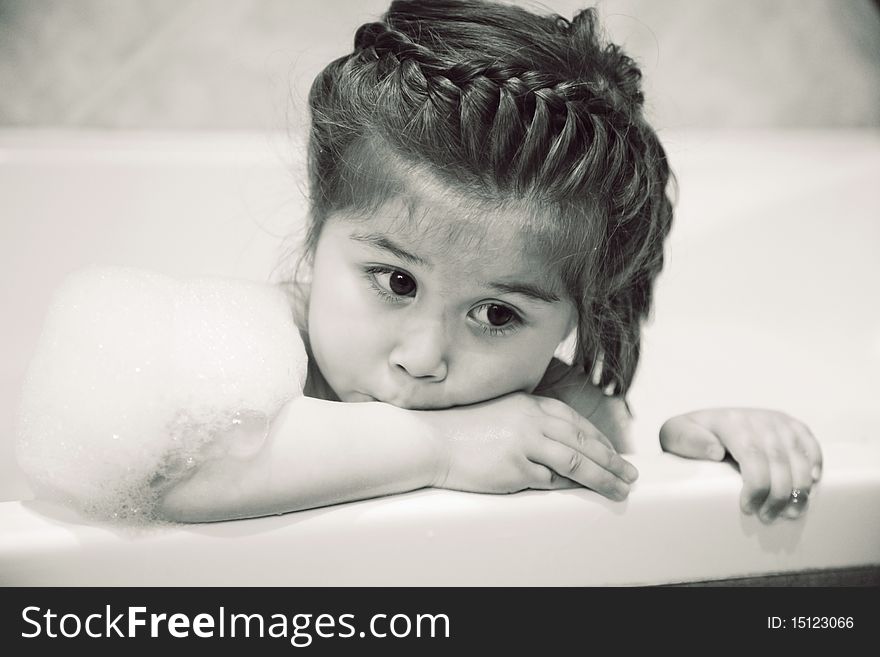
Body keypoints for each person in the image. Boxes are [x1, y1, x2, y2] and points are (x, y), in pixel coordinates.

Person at [17, 0, 821, 526]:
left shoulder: (539, 391)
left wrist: (706, 438)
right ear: (317, 230)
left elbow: (617, 460)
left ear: (580, 313)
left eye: (497, 314)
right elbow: (169, 476)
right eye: (395, 281)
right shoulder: (249, 345)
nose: (424, 358)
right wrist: (440, 448)